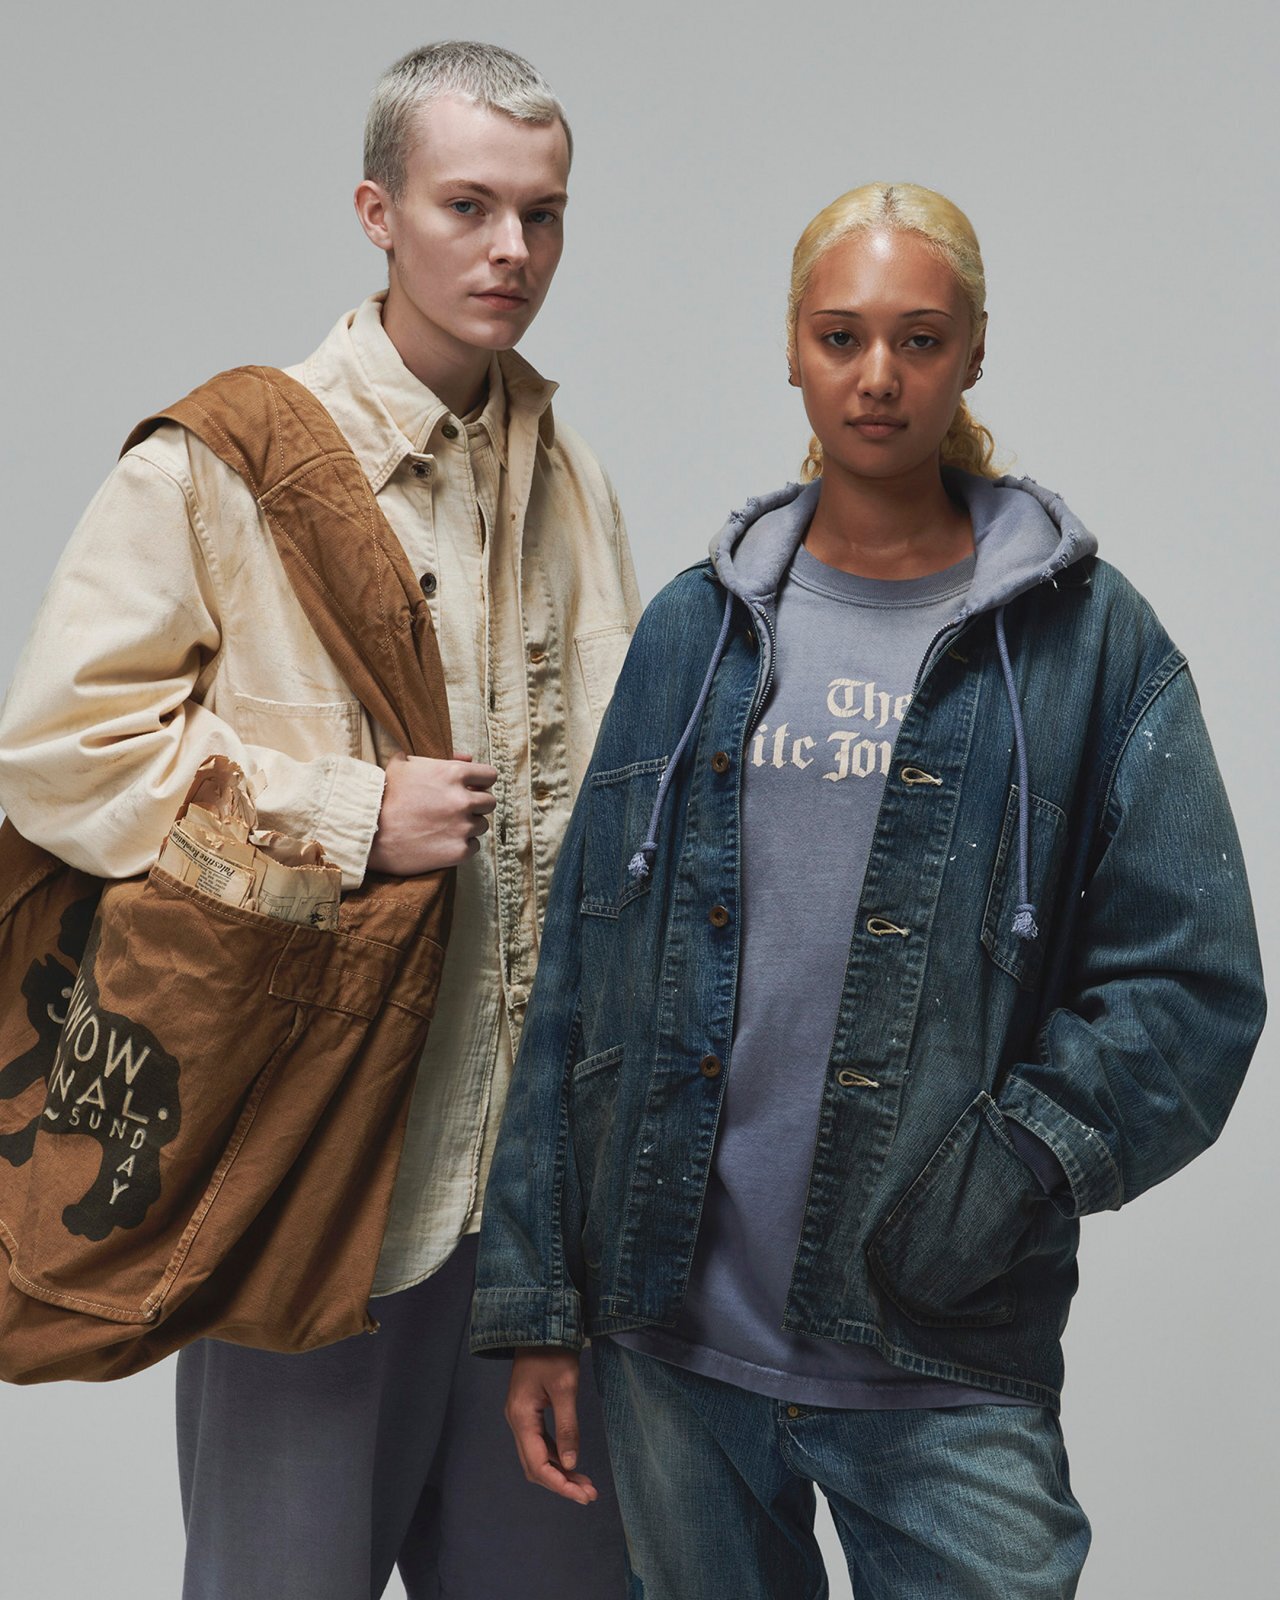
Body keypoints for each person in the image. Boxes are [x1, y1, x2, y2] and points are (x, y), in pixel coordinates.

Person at [472, 181, 1266, 1598]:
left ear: (974, 353)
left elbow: (1193, 986)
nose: (879, 375)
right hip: (672, 1343)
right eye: (841, 336)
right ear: (792, 349)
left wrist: (1000, 1182)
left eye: (919, 338)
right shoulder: (696, 632)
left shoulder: (1088, 642)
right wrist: (540, 1302)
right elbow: (580, 970)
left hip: (938, 1340)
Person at [0, 39, 636, 1600]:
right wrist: (348, 814)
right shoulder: (231, 462)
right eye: (467, 206)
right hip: (310, 1178)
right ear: (377, 213)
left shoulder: (571, 479)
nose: (510, 249)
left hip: (530, 1220)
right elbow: (61, 755)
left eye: (543, 214)